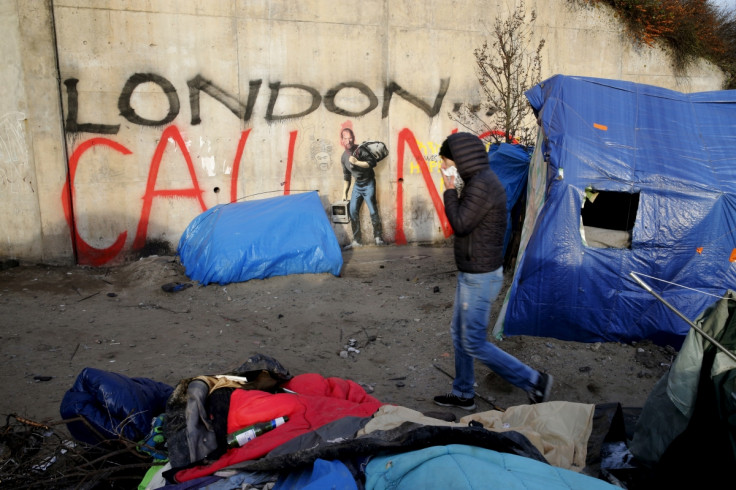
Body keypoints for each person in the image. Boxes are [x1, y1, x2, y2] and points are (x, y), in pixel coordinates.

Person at [433, 132, 553, 410]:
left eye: (445, 161)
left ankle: (534, 381)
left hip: (480, 277)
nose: (442, 167)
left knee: (473, 342)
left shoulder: (481, 186)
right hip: (473, 273)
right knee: (458, 333)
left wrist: (449, 187)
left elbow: (460, 224)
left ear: (460, 160)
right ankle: (463, 393)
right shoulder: (479, 182)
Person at [339, 127, 385, 248]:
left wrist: (357, 162)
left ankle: (378, 237)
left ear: (353, 139)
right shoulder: (343, 157)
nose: (348, 141)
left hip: (369, 183)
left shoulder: (361, 150)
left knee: (373, 210)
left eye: (350, 138)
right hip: (357, 185)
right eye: (345, 139)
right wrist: (344, 193)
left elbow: (373, 163)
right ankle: (357, 241)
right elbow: (346, 177)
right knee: (353, 211)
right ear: (342, 140)